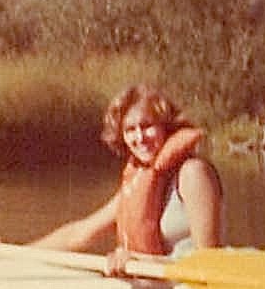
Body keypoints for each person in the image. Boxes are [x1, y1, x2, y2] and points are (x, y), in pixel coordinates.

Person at [29, 85, 224, 277]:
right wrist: (10, 253)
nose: (139, 138)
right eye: (130, 129)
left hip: (194, 288)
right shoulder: (137, 184)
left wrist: (140, 261)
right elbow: (78, 234)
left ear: (166, 127)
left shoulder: (193, 173)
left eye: (147, 126)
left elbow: (208, 262)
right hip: (158, 285)